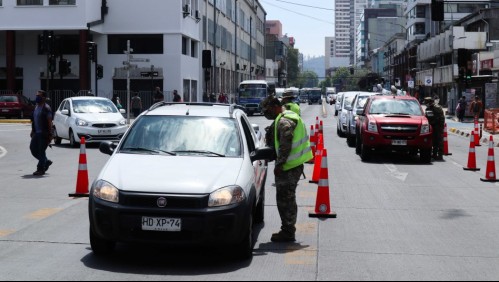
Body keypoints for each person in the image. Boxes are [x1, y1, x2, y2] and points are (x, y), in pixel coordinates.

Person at [260, 95, 314, 242]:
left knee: (285, 200)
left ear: (275, 107)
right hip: (292, 165)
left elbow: (285, 146)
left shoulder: (284, 121)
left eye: (267, 110)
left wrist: (279, 165)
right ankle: (288, 229)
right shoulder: (288, 116)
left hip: (288, 167)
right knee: (287, 198)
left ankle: (288, 231)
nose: (265, 114)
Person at [30, 90, 54, 176]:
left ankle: (41, 169)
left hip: (44, 133)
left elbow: (49, 122)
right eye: (36, 95)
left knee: (41, 150)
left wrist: (50, 134)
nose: (37, 97)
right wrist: (32, 130)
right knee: (33, 149)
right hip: (36, 133)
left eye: (39, 96)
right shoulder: (36, 107)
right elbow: (34, 120)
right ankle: (45, 161)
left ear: (44, 98)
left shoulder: (46, 108)